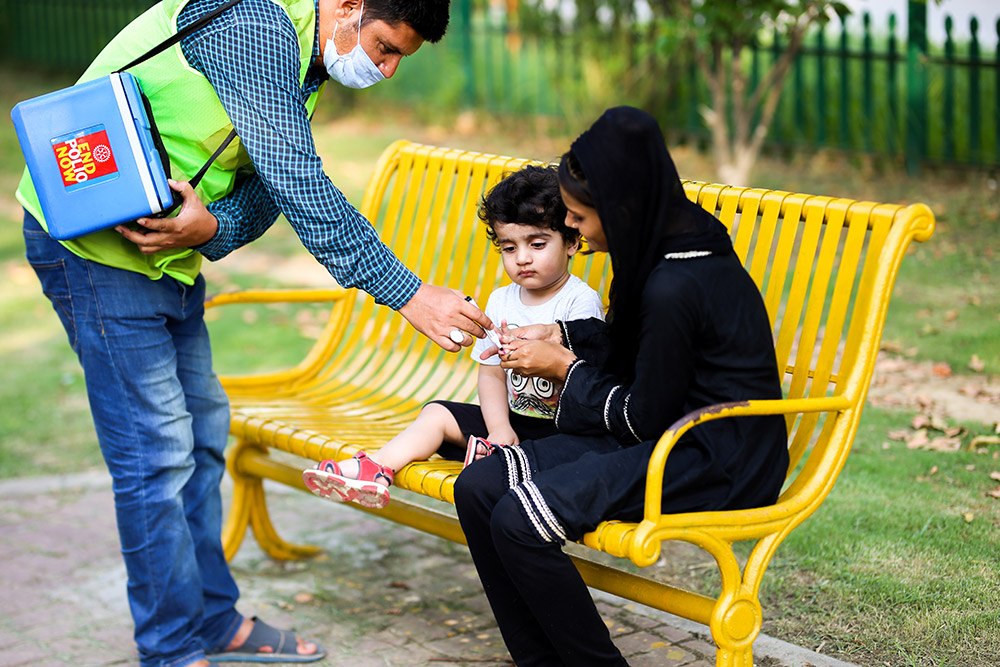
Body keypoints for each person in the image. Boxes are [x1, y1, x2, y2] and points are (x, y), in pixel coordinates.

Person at [17, 1, 492, 666]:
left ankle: (210, 619)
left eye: (397, 61)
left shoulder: (308, 56)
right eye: (384, 47)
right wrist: (410, 294)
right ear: (351, 5)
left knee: (203, 434)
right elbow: (298, 183)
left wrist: (209, 228)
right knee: (156, 457)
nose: (384, 71)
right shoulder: (257, 24)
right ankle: (171, 648)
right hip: (96, 248)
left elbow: (265, 188)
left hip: (166, 251)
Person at [452, 106, 791, 666]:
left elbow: (642, 417)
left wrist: (562, 367)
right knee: (479, 489)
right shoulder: (663, 245)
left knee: (517, 519)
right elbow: (643, 360)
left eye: (581, 217)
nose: (577, 229)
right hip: (663, 429)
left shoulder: (676, 281)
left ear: (621, 207)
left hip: (709, 454)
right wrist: (560, 331)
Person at [301, 165, 605, 509]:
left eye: (537, 244)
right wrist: (499, 428)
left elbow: (584, 379)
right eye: (508, 248)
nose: (522, 258)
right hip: (511, 423)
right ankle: (376, 468)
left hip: (559, 432)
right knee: (437, 414)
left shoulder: (580, 302)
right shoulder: (501, 300)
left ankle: (494, 457)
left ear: (571, 242)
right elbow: (490, 372)